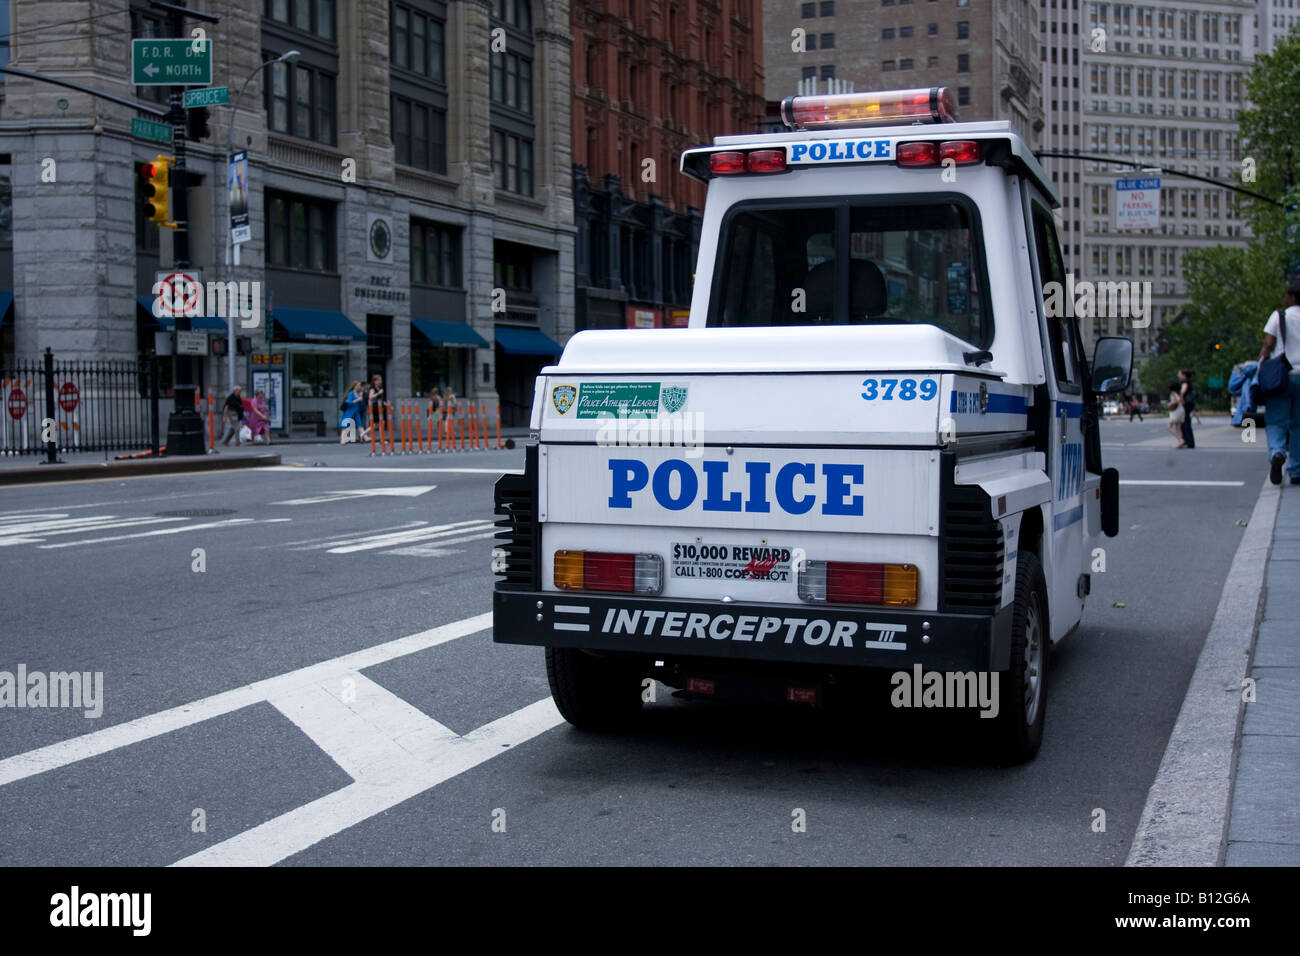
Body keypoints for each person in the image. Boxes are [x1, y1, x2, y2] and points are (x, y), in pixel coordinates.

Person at [1259, 287, 1300, 485]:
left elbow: (1268, 344)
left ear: (1291, 297)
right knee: (1298, 425)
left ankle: (1277, 452)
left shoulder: (1279, 316)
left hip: (1282, 376)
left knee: (1276, 420)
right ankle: (1296, 470)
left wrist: (1260, 365)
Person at [1177, 369, 1196, 448]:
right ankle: (1188, 442)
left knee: (1185, 423)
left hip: (1185, 405)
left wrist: (1180, 400)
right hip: (1188, 405)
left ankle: (1188, 442)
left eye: (1179, 373)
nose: (1178, 375)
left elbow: (1183, 391)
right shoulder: (1187, 382)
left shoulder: (1185, 382)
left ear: (1183, 375)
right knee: (1185, 422)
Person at [1166, 381, 1186, 448]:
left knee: (1169, 426)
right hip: (1181, 410)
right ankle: (1181, 443)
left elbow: (1178, 399)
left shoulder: (1173, 392)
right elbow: (1183, 402)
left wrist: (1171, 403)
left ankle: (1180, 440)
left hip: (1176, 411)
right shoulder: (1179, 392)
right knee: (1178, 427)